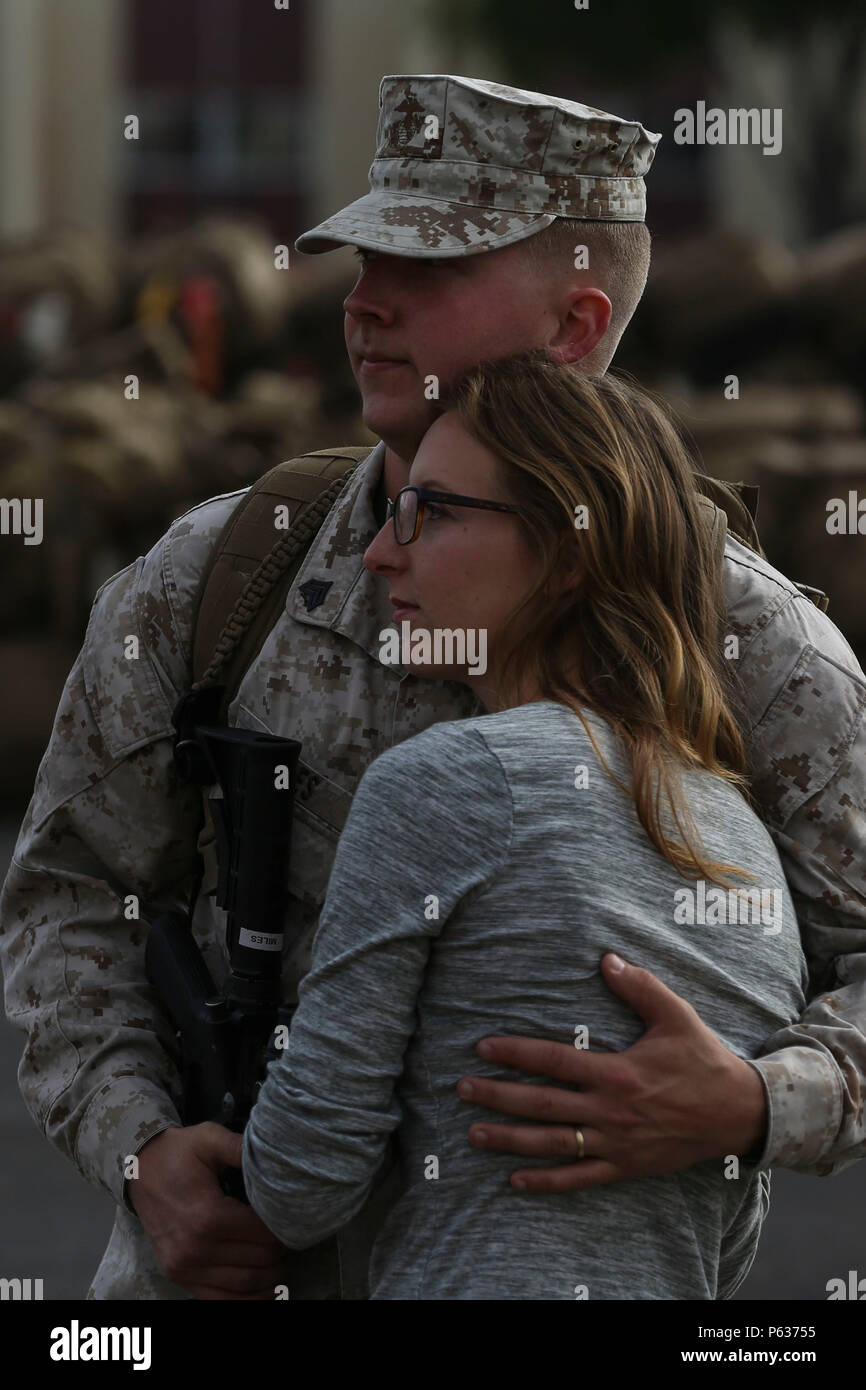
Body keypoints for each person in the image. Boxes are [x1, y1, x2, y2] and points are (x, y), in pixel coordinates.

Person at [0, 74, 863, 1303]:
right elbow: (72, 893)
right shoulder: (217, 578)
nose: (363, 306)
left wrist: (751, 1103)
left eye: (428, 270)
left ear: (573, 325)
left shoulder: (749, 646)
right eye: (363, 262)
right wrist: (141, 1149)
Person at [242, 350, 810, 1300]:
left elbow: (302, 1187)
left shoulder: (441, 784)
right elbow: (725, 1240)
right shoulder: (742, 836)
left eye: (430, 511)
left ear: (572, 550)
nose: (384, 552)